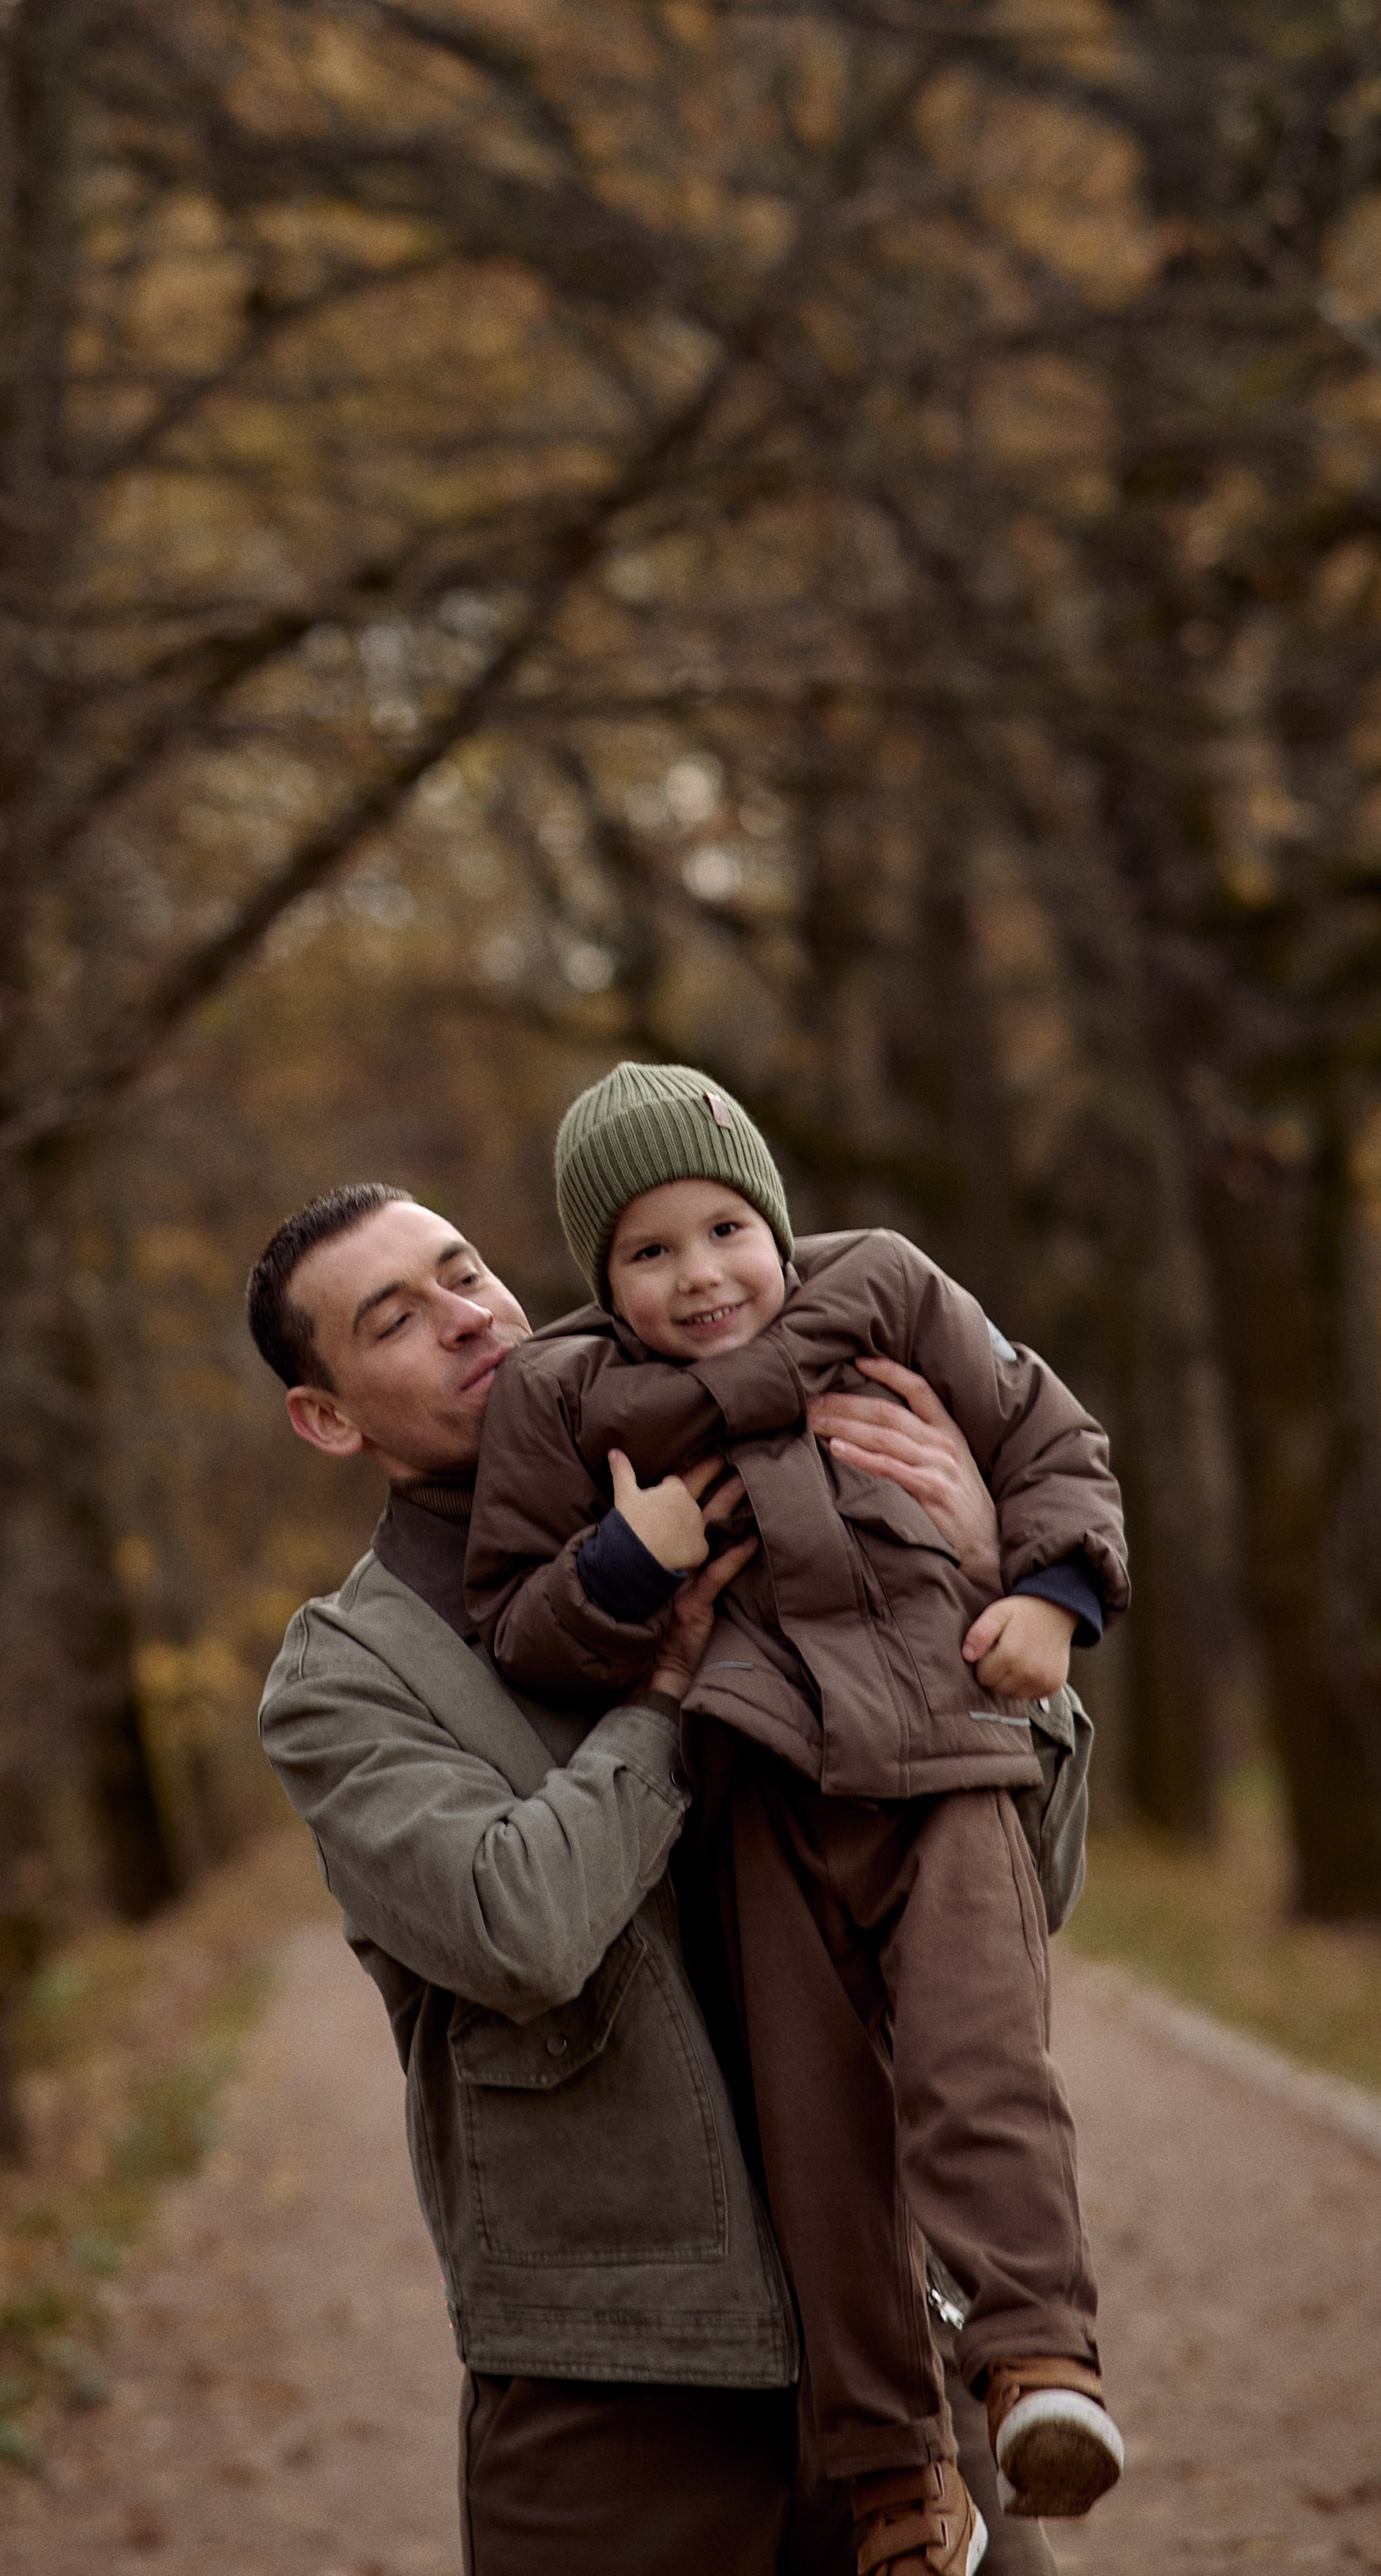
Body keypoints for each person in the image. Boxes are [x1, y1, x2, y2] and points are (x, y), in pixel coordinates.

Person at [248, 1180, 1068, 2576]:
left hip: (890, 2349)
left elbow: (1023, 1885)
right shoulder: (347, 1677)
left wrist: (985, 1596)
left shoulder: (775, 1487)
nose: (466, 1318)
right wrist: (663, 1695)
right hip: (614, 2387)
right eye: (395, 1318)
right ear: (327, 1416)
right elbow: (518, 1926)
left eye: (463, 1270)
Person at [463, 1063, 1128, 2576]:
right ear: (598, 1276)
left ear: (772, 1214)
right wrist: (624, 1568)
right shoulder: (560, 1396)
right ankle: (893, 2480)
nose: (698, 1275)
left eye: (721, 1228)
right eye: (646, 1250)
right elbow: (512, 1612)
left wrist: (1045, 1589)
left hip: (947, 1754)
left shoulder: (885, 1287)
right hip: (756, 1791)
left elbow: (1046, 1438)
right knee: (818, 2139)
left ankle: (1037, 2364)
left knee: (977, 2062)